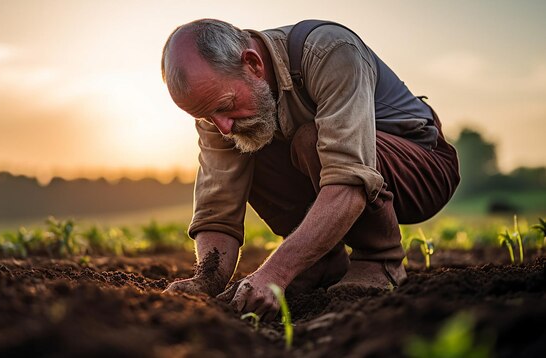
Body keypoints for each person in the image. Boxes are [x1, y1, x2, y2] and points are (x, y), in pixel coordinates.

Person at [160, 18, 460, 321]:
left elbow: (349, 180)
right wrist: (205, 282)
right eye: (206, 116)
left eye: (224, 106)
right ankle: (321, 263)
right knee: (246, 142)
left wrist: (274, 272)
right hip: (344, 178)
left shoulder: (330, 52)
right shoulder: (219, 111)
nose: (221, 127)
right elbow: (218, 207)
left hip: (422, 167)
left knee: (311, 140)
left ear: (252, 63)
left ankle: (380, 259)